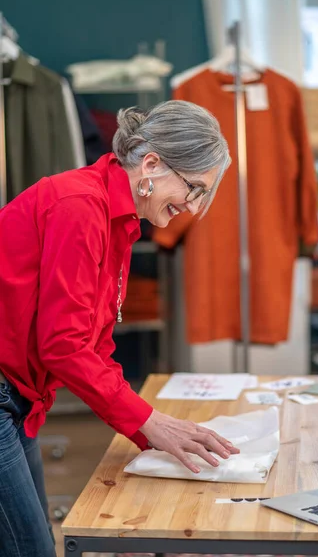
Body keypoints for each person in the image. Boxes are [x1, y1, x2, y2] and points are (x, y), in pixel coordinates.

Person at [0, 100, 239, 557]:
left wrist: (148, 428)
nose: (192, 207)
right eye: (193, 189)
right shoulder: (80, 206)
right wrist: (148, 421)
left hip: (18, 395)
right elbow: (64, 347)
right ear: (151, 164)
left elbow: (96, 342)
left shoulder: (120, 218)